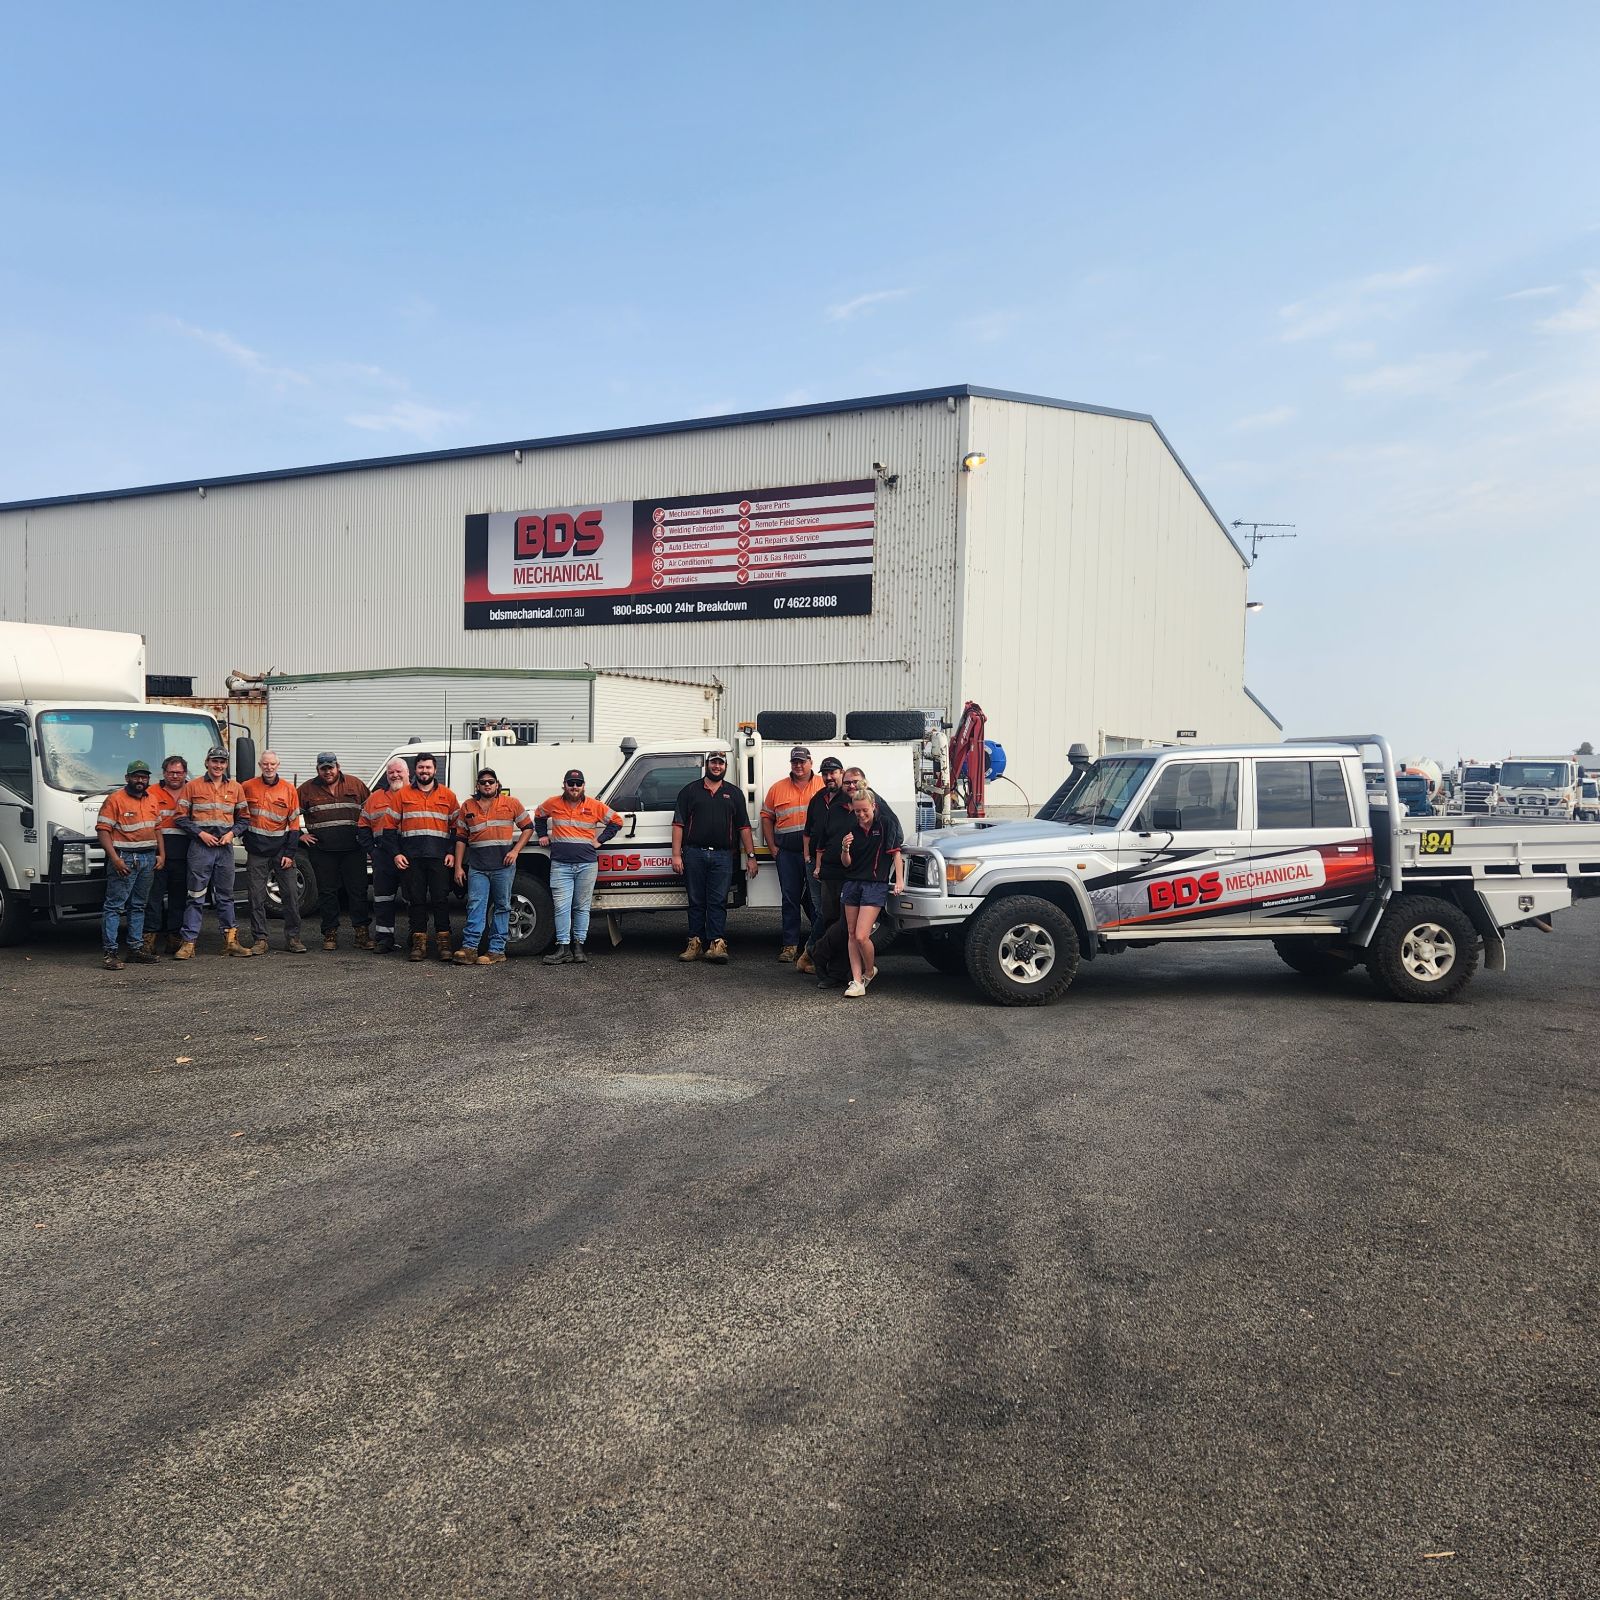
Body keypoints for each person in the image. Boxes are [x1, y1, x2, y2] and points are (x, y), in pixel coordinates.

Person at [670, 750, 757, 964]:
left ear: (725, 766)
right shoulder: (690, 791)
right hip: (693, 854)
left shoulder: (734, 794)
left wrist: (752, 856)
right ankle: (695, 943)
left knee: (718, 901)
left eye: (721, 763)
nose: (717, 766)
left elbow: (744, 827)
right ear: (707, 765)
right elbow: (678, 824)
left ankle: (717, 944)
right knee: (696, 901)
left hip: (723, 856)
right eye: (713, 763)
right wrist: (676, 855)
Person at [535, 768, 624, 965]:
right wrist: (542, 834)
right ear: (564, 785)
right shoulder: (552, 803)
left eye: (578, 784)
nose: (574, 787)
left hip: (586, 865)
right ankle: (563, 948)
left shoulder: (594, 805)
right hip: (560, 865)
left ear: (583, 786)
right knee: (561, 908)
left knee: (582, 908)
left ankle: (579, 948)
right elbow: (539, 816)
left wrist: (600, 840)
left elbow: (617, 821)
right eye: (570, 783)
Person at [174, 746, 252, 960]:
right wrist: (200, 834)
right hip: (201, 848)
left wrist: (232, 834)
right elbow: (180, 817)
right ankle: (188, 943)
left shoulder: (236, 787)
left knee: (226, 896)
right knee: (195, 896)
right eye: (214, 761)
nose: (218, 765)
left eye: (222, 762)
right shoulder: (192, 786)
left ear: (226, 764)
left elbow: (244, 818)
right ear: (206, 762)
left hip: (224, 848)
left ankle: (231, 942)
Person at [452, 768, 534, 966]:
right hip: (477, 867)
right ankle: (470, 948)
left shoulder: (511, 803)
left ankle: (496, 950)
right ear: (477, 786)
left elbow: (528, 828)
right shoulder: (467, 806)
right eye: (483, 782)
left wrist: (515, 851)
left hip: (502, 868)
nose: (487, 785)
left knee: (502, 907)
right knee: (475, 905)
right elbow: (461, 839)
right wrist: (458, 867)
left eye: (491, 781)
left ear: (497, 784)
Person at [95, 759, 165, 969]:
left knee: (138, 906)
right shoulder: (115, 799)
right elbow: (102, 830)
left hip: (148, 858)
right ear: (127, 778)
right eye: (136, 776)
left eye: (144, 777)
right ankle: (110, 953)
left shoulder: (152, 798)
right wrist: (115, 859)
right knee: (114, 906)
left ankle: (135, 950)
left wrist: (162, 854)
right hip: (125, 858)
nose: (140, 780)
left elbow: (158, 828)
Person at [298, 752, 372, 950]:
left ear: (338, 766)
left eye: (330, 767)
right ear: (317, 770)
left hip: (353, 849)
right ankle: (329, 934)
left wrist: (367, 840)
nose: (328, 771)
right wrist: (299, 835)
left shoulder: (356, 785)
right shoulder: (305, 789)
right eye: (323, 768)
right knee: (327, 893)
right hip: (322, 851)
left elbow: (372, 811)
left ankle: (362, 934)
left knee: (358, 891)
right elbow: (288, 814)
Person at [837, 784, 905, 998]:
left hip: (875, 883)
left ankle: (869, 970)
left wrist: (899, 881)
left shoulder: (885, 824)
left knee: (861, 935)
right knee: (850, 934)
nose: (861, 814)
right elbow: (846, 863)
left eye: (865, 810)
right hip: (852, 882)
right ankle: (857, 981)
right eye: (857, 810)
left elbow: (895, 855)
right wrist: (845, 848)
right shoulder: (851, 828)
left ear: (874, 807)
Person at [241, 751, 308, 954]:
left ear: (278, 765)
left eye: (272, 764)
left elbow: (294, 825)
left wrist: (289, 853)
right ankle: (260, 939)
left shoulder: (288, 789)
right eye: (265, 764)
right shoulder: (247, 787)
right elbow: (240, 816)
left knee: (290, 895)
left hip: (281, 851)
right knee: (256, 897)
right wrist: (246, 840)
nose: (269, 767)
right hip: (256, 852)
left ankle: (293, 939)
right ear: (260, 765)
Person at [394, 752, 459, 961]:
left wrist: (451, 852)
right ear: (415, 770)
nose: (424, 771)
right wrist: (396, 853)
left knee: (441, 900)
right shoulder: (402, 795)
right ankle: (418, 944)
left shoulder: (448, 795)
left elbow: (458, 829)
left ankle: (444, 943)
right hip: (412, 858)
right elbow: (388, 829)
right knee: (416, 901)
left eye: (428, 767)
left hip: (439, 858)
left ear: (435, 770)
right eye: (421, 767)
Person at [761, 745, 822, 963]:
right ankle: (790, 946)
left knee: (817, 901)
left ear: (810, 763)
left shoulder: (822, 785)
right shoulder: (778, 788)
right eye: (795, 762)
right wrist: (773, 847)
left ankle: (818, 945)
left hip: (815, 855)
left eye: (802, 761)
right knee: (790, 900)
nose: (798, 765)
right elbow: (766, 817)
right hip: (786, 854)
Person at [809, 765, 866, 989]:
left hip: (853, 875)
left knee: (846, 926)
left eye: (855, 782)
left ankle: (819, 951)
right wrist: (819, 866)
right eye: (848, 783)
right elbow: (822, 840)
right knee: (832, 920)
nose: (851, 786)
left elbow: (891, 834)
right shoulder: (834, 807)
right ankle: (835, 973)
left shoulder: (872, 805)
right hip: (830, 874)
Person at [796, 756, 845, 974]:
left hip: (838, 867)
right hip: (815, 865)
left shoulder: (849, 798)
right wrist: (807, 858)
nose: (828, 777)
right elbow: (808, 832)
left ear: (841, 773)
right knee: (820, 912)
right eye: (825, 774)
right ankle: (817, 958)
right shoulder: (818, 798)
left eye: (833, 773)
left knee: (830, 913)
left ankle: (811, 954)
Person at [358, 758, 409, 954]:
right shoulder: (375, 798)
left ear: (407, 773)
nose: (395, 775)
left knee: (413, 899)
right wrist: (372, 851)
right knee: (382, 900)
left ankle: (416, 939)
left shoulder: (415, 795)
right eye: (391, 772)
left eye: (399, 771)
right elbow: (362, 826)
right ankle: (384, 939)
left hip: (409, 855)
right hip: (383, 857)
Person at [148, 755, 190, 956]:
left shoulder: (192, 790)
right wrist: (156, 853)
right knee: (153, 898)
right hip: (158, 855)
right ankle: (149, 939)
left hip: (184, 855)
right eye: (171, 772)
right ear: (164, 773)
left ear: (185, 774)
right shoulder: (151, 792)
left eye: (179, 772)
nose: (175, 776)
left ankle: (174, 939)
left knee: (178, 899)